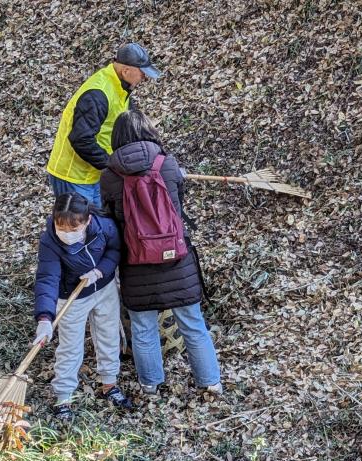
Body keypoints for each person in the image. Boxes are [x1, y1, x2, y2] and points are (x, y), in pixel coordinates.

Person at [100, 110, 222, 396]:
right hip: (176, 259)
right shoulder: (166, 164)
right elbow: (179, 204)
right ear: (148, 131)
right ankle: (211, 382)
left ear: (116, 138)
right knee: (192, 322)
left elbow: (111, 217)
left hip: (135, 261)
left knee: (143, 327)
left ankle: (150, 385)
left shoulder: (109, 176)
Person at [34, 193, 132, 422]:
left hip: (103, 289)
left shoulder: (104, 226)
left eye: (73, 228)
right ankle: (63, 397)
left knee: (108, 336)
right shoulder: (50, 240)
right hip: (70, 298)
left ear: (87, 221)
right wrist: (45, 318)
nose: (67, 233)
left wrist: (100, 271)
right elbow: (47, 278)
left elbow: (115, 250)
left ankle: (109, 384)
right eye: (61, 227)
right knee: (70, 347)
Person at [46, 43, 160, 206]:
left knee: (100, 225)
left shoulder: (122, 88)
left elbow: (129, 126)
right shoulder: (98, 94)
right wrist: (113, 165)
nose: (144, 78)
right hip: (73, 176)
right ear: (126, 70)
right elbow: (81, 139)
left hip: (96, 173)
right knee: (80, 226)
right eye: (142, 73)